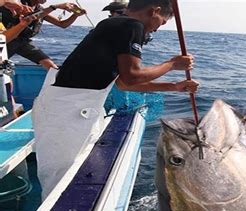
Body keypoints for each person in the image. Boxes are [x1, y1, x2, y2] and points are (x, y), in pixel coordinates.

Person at [32, 0, 199, 200]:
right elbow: (132, 76)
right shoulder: (132, 26)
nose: (159, 28)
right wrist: (171, 64)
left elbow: (123, 83)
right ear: (154, 11)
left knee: (72, 170)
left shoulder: (112, 24)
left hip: (74, 107)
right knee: (58, 180)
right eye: (162, 21)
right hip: (68, 112)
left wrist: (173, 87)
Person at [0, 0, 86, 69]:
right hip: (8, 41)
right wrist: (55, 7)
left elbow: (62, 24)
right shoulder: (17, 5)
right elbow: (31, 16)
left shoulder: (41, 9)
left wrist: (75, 15)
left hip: (24, 42)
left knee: (50, 66)